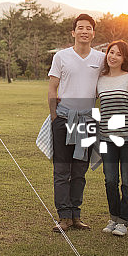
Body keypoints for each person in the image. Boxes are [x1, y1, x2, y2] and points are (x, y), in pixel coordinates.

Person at [47, 13, 105, 232]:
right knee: (62, 171)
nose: (84, 31)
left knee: (79, 171)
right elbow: (53, 88)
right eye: (80, 27)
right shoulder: (61, 56)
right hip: (63, 119)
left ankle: (76, 216)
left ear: (93, 33)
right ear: (73, 32)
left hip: (88, 121)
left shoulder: (100, 58)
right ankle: (63, 217)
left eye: (88, 28)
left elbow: (114, 75)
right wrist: (54, 119)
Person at [97, 39, 128, 237]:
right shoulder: (100, 80)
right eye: (111, 52)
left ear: (125, 58)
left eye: (118, 54)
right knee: (110, 180)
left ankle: (123, 222)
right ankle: (113, 217)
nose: (113, 56)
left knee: (127, 181)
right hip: (107, 138)